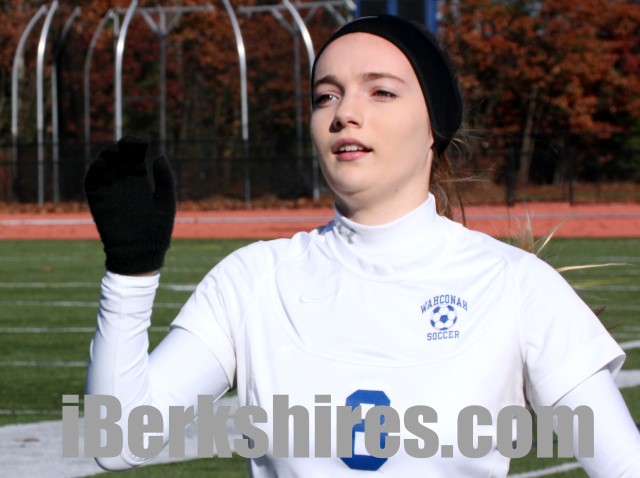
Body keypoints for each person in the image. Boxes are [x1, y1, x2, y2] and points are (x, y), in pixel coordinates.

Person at [84, 15, 640, 477]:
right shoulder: (252, 280)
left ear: (434, 125)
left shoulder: (516, 285)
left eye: (381, 91)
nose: (345, 112)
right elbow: (119, 440)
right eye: (326, 95)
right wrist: (131, 273)